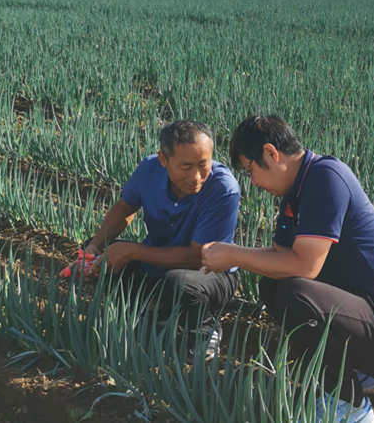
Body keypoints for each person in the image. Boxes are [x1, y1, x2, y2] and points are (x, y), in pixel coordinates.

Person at [201, 115, 374, 422]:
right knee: (273, 286)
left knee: (298, 297)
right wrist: (229, 254)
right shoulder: (295, 194)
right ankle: (359, 375)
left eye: (251, 169)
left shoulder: (326, 176)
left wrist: (234, 255)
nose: (253, 181)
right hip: (369, 321)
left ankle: (350, 409)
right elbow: (280, 257)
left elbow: (305, 266)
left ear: (272, 153)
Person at [64, 120, 241, 360]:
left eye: (203, 165)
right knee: (104, 253)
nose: (196, 176)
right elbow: (125, 207)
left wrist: (132, 252)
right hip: (159, 258)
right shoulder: (150, 169)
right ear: (163, 159)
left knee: (180, 283)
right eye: (186, 166)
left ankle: (205, 329)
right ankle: (155, 309)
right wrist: (95, 247)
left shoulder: (223, 188)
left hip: (209, 273)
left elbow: (197, 257)